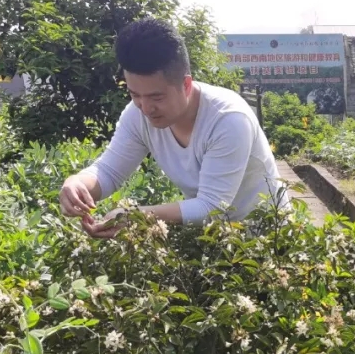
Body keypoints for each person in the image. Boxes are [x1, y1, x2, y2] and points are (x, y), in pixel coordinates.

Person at [59, 18, 285, 238]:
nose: (146, 108)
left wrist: (135, 216)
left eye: (156, 96)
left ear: (186, 85)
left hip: (269, 238)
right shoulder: (137, 114)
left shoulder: (228, 119)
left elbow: (212, 207)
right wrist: (78, 184)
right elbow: (109, 171)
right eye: (134, 94)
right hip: (214, 238)